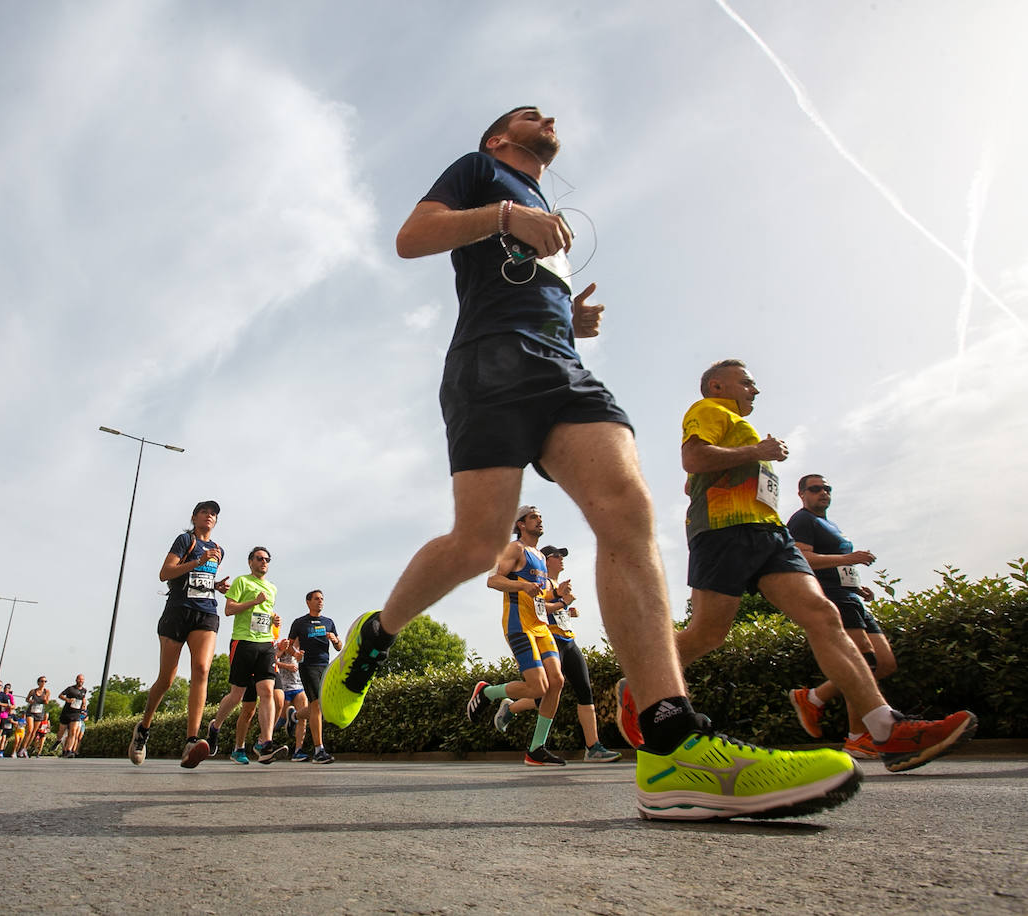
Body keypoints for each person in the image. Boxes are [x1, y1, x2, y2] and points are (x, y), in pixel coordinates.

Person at [323, 106, 865, 820]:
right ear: (499, 138)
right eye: (529, 114)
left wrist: (570, 321)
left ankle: (672, 745)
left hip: (562, 366)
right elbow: (410, 238)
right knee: (477, 543)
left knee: (628, 509)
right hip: (490, 364)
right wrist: (507, 216)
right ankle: (376, 636)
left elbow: (518, 281)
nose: (547, 117)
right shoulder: (480, 171)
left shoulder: (546, 213)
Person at [617, 358, 975, 774]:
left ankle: (885, 728)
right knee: (708, 634)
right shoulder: (708, 409)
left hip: (770, 533)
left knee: (823, 614)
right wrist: (757, 452)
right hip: (724, 531)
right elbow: (693, 459)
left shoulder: (738, 424)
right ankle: (641, 682)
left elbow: (703, 474)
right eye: (746, 382)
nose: (755, 389)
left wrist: (744, 460)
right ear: (717, 385)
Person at [786, 475, 898, 759]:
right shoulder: (802, 520)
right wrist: (849, 559)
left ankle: (814, 697)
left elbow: (837, 565)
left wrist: (857, 586)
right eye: (815, 489)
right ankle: (858, 737)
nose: (823, 492)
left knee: (884, 663)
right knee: (863, 660)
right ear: (802, 494)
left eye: (827, 488)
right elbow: (802, 558)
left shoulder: (831, 525)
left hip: (851, 596)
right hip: (831, 596)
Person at [493, 542, 622, 762]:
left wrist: (567, 610)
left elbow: (552, 610)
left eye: (562, 556)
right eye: (557, 555)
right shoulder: (539, 581)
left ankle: (593, 747)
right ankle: (511, 709)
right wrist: (562, 602)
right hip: (549, 638)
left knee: (584, 689)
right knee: (544, 691)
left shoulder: (556, 585)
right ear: (545, 560)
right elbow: (539, 608)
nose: (561, 559)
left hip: (568, 640)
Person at [130, 500, 230, 768]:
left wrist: (216, 586)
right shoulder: (185, 540)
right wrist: (198, 560)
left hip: (205, 612)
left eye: (213, 513)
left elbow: (200, 579)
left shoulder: (219, 550)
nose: (209, 516)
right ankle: (143, 729)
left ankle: (191, 741)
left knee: (202, 669)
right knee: (166, 679)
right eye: (204, 512)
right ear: (194, 517)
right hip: (177, 612)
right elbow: (165, 573)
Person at [473, 506, 568, 765]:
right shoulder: (515, 549)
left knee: (556, 681)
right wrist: (522, 585)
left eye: (541, 517)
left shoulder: (541, 556)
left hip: (540, 626)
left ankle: (536, 748)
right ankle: (487, 693)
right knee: (538, 688)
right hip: (519, 625)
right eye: (534, 517)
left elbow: (540, 596)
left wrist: (559, 597)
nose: (540, 520)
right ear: (521, 524)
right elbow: (493, 580)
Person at [205, 547, 289, 764]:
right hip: (243, 642)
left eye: (267, 559)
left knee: (267, 692)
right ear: (250, 561)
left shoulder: (272, 588)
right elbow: (229, 610)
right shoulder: (242, 582)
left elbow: (265, 612)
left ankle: (266, 743)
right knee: (237, 696)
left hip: (266, 644)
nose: (264, 562)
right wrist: (253, 601)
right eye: (259, 558)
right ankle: (215, 727)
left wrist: (274, 619)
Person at [289, 589, 340, 764]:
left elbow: (339, 646)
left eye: (322, 599)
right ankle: (319, 750)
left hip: (325, 666)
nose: (320, 601)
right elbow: (289, 646)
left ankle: (295, 716)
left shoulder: (328, 622)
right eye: (317, 599)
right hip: (308, 666)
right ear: (308, 602)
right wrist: (295, 654)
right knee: (317, 704)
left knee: (318, 706)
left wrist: (335, 640)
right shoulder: (300, 623)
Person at [18, 677, 52, 758]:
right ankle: (22, 748)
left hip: (39, 713)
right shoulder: (33, 691)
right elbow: (27, 699)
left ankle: (25, 748)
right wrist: (30, 701)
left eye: (45, 681)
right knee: (29, 730)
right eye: (42, 681)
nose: (43, 683)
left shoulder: (47, 691)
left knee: (34, 732)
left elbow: (47, 702)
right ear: (38, 682)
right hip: (31, 712)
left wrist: (45, 699)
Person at [58, 674, 89, 758]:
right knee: (61, 732)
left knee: (73, 732)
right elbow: (60, 695)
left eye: (82, 679)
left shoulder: (84, 690)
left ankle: (69, 751)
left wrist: (84, 704)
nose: (81, 681)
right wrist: (67, 699)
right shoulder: (70, 689)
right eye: (79, 679)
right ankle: (58, 741)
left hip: (76, 713)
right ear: (76, 680)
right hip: (67, 712)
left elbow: (82, 698)